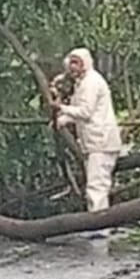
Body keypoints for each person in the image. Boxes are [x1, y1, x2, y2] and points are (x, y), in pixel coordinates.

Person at [53, 48, 121, 216]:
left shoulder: (91, 82)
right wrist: (63, 120)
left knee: (96, 187)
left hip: (100, 142)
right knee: (96, 184)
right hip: (92, 142)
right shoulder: (82, 83)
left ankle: (98, 226)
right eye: (71, 63)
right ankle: (98, 224)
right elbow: (81, 113)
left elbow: (85, 112)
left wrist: (61, 108)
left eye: (76, 62)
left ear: (85, 63)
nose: (72, 67)